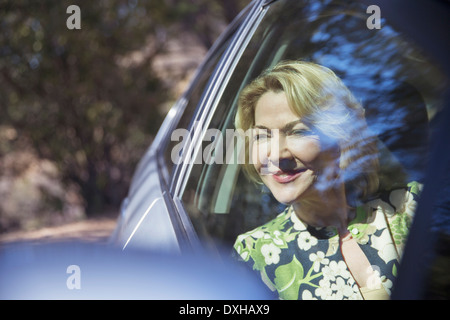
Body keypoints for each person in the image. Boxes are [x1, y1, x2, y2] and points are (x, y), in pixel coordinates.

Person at [232, 60, 421, 300]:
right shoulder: (254, 253)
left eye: (298, 131)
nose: (277, 154)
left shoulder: (411, 207)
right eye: (261, 136)